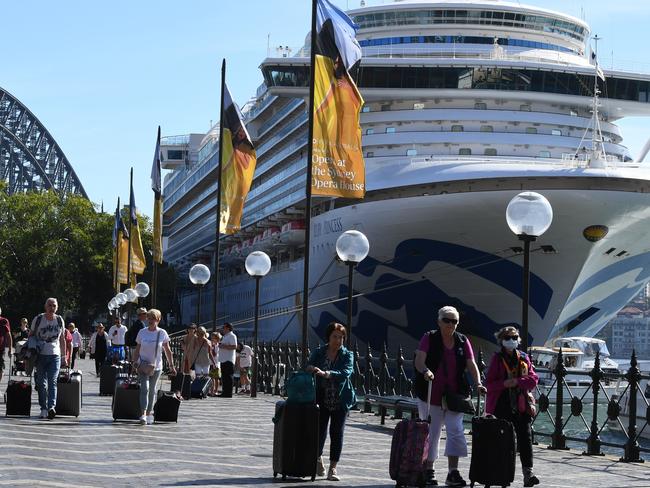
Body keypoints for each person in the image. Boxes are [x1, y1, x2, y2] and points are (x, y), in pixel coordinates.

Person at [413, 306, 485, 487]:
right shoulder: (429, 338)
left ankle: (453, 471)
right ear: (439, 321)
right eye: (447, 320)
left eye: (454, 321)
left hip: (455, 396)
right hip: (431, 393)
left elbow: (471, 364)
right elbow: (419, 360)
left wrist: (478, 383)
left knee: (456, 431)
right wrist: (426, 371)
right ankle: (429, 468)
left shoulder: (462, 340)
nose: (451, 324)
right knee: (432, 432)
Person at [485, 326, 540, 487]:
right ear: (502, 340)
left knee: (526, 437)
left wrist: (517, 382)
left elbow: (533, 379)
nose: (511, 341)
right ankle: (501, 474)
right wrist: (504, 384)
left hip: (521, 404)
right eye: (508, 338)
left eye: (515, 338)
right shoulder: (497, 359)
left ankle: (528, 474)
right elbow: (489, 384)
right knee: (503, 441)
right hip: (502, 404)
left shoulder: (523, 357)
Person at [306, 322, 356, 481]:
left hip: (340, 398)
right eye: (335, 337)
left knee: (337, 432)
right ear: (328, 337)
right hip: (321, 397)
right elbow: (307, 365)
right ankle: (318, 458)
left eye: (341, 337)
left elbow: (346, 371)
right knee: (320, 431)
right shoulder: (320, 352)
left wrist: (327, 373)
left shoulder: (347, 354)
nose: (338, 340)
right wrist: (312, 369)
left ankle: (333, 468)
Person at [133, 308, 176, 425]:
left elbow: (167, 350)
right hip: (142, 365)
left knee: (152, 390)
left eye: (154, 319)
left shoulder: (162, 333)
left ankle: (148, 413)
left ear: (158, 320)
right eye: (149, 318)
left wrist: (172, 365)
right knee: (145, 388)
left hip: (156, 366)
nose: (151, 321)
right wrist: (134, 362)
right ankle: (143, 413)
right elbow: (137, 349)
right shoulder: (142, 332)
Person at [30, 298, 68, 420]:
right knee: (41, 383)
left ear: (57, 307)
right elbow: (31, 335)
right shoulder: (38, 319)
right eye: (49, 305)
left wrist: (64, 357)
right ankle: (43, 408)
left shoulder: (59, 320)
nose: (52, 307)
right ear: (45, 306)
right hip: (40, 355)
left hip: (54, 355)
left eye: (54, 305)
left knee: (53, 381)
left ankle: (51, 407)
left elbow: (62, 339)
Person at [217, 323, 237, 397]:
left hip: (228, 359)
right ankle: (224, 392)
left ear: (228, 328)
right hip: (223, 359)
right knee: (224, 377)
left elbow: (234, 346)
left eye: (224, 327)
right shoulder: (225, 336)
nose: (223, 329)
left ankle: (228, 393)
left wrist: (223, 346)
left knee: (228, 377)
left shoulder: (232, 336)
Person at [0, 307, 12, 384]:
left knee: (0, 369)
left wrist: (10, 349)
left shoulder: (4, 321)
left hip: (0, 349)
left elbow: (8, 335)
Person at [208, 332, 221, 396]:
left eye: (214, 338)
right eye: (212, 337)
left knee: (216, 378)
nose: (212, 339)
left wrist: (212, 347)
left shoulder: (218, 345)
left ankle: (215, 390)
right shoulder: (211, 344)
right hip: (210, 362)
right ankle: (212, 390)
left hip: (216, 363)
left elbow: (214, 354)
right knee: (211, 377)